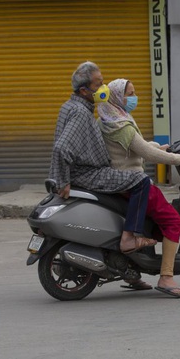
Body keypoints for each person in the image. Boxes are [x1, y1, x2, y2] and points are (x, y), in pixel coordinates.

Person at [97, 78, 180, 299]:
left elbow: (132, 147)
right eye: (129, 93)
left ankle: (132, 273)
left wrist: (159, 146)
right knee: (174, 221)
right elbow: (146, 154)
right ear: (116, 96)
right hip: (133, 182)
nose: (133, 97)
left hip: (120, 181)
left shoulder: (108, 117)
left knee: (152, 225)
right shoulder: (120, 124)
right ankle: (167, 277)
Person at [49, 62, 157, 256]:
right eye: (98, 84)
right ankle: (128, 238)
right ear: (84, 90)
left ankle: (131, 273)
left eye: (103, 81)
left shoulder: (70, 105)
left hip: (84, 170)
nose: (103, 88)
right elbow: (61, 147)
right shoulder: (81, 113)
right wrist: (63, 180)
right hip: (88, 173)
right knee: (141, 181)